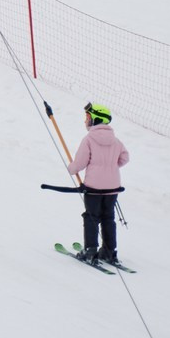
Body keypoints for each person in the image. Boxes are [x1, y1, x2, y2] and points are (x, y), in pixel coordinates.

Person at [66, 102, 130, 265]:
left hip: (93, 188)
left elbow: (80, 162)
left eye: (88, 117)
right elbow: (124, 158)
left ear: (95, 120)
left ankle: (90, 250)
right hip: (112, 188)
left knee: (91, 216)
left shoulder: (88, 139)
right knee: (108, 217)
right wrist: (110, 167)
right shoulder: (116, 141)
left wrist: (71, 169)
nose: (86, 120)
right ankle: (109, 252)